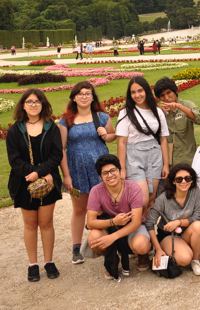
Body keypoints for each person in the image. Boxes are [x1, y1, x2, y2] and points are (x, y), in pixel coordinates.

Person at [6, 88, 63, 282]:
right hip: (24, 182)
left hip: (48, 181)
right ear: (23, 105)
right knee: (30, 224)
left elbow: (57, 155)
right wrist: (32, 173)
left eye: (37, 101)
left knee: (46, 223)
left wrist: (40, 173)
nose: (33, 105)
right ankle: (33, 264)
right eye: (29, 101)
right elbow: (14, 159)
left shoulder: (51, 127)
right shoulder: (15, 130)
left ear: (43, 104)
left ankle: (48, 261)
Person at [57, 81, 117, 266]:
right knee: (79, 209)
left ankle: (109, 242)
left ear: (93, 97)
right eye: (80, 94)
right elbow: (61, 149)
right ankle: (76, 247)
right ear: (74, 98)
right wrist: (66, 175)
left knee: (104, 206)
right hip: (76, 169)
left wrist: (105, 135)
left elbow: (112, 136)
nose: (84, 97)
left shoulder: (101, 117)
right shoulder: (65, 120)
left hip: (100, 169)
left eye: (87, 93)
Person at [85, 154, 152, 279]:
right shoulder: (96, 191)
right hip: (111, 225)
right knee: (93, 239)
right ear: (100, 177)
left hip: (132, 226)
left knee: (141, 245)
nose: (110, 175)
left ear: (120, 170)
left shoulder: (134, 188)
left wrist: (113, 237)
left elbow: (136, 222)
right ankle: (112, 257)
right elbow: (90, 222)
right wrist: (113, 222)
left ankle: (142, 254)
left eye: (113, 170)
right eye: (105, 173)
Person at [116, 76, 170, 215]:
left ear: (146, 91)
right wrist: (122, 168)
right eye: (133, 92)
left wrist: (166, 164)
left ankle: (145, 227)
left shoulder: (157, 111)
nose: (137, 95)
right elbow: (121, 142)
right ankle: (135, 226)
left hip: (155, 155)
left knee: (151, 198)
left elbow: (163, 139)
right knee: (141, 199)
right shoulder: (125, 113)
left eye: (140, 91)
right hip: (134, 156)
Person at [145, 164, 200, 276]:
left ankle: (196, 261)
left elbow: (197, 216)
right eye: (179, 179)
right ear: (173, 181)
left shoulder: (195, 191)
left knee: (198, 225)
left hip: (187, 232)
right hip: (168, 235)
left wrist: (178, 222)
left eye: (187, 178)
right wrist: (157, 249)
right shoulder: (163, 198)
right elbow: (149, 223)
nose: (184, 182)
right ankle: (169, 250)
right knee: (185, 259)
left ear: (192, 180)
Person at [154, 77, 200, 167]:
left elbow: (199, 119)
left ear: (175, 91)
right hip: (167, 163)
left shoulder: (187, 105)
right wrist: (155, 108)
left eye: (168, 93)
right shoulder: (160, 111)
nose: (166, 98)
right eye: (162, 95)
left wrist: (180, 107)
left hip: (187, 160)